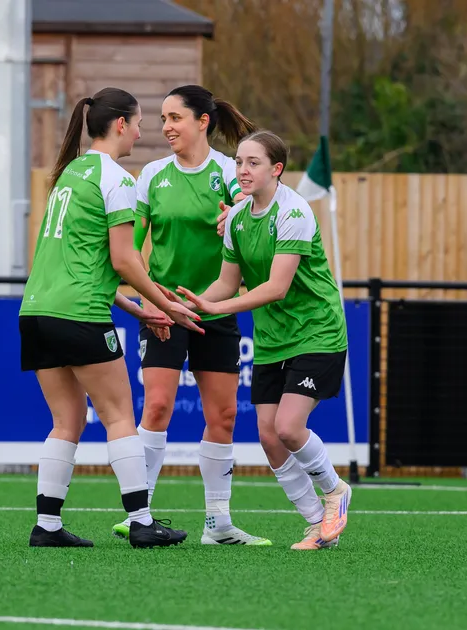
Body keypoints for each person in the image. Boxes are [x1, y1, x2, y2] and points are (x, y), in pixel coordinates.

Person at [20, 87, 203, 549]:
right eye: (140, 122)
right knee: (119, 414)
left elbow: (94, 267)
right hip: (79, 314)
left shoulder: (70, 173)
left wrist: (142, 307)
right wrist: (165, 307)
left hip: (38, 310)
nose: (144, 131)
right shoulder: (117, 178)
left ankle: (47, 526)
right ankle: (141, 521)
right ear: (120, 124)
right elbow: (124, 261)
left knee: (67, 421)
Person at [172, 130, 352, 550]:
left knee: (289, 427)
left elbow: (276, 288)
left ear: (277, 170)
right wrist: (194, 305)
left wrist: (217, 310)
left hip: (317, 331)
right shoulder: (236, 218)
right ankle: (317, 523)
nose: (242, 170)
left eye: (253, 163)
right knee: (269, 437)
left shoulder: (294, 212)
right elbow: (227, 282)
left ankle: (335, 491)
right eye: (238, 162)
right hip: (274, 339)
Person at [111, 85, 272, 546]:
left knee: (222, 415)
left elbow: (264, 212)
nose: (166, 127)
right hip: (163, 309)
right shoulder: (151, 176)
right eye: (162, 118)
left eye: (175, 117)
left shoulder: (229, 173)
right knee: (157, 406)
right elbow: (131, 249)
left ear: (203, 121)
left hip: (215, 309)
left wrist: (240, 211)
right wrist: (148, 302)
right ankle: (138, 513)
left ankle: (218, 525)